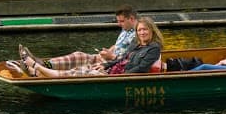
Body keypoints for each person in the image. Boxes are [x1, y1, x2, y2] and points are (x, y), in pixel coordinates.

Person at [15, 17, 163, 78]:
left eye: (145, 30)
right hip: (114, 70)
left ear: (151, 31)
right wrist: (105, 66)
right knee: (82, 63)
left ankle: (38, 69)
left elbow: (141, 68)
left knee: (84, 71)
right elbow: (123, 59)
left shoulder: (153, 48)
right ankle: (39, 67)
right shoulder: (136, 44)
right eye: (140, 30)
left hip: (119, 76)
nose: (142, 32)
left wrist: (115, 75)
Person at [16, 5, 139, 74]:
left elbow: (128, 59)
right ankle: (44, 63)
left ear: (132, 19)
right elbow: (117, 45)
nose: (119, 24)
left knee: (81, 69)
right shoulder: (126, 29)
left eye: (121, 21)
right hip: (107, 58)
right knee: (78, 55)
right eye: (118, 21)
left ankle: (37, 69)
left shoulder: (138, 35)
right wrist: (109, 50)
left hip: (114, 63)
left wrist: (111, 57)